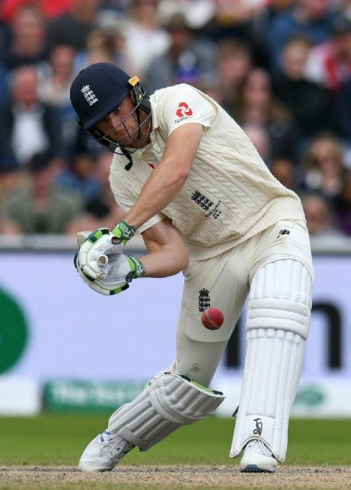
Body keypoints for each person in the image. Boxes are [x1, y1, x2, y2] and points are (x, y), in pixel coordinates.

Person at [69, 62, 313, 474]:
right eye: (104, 121)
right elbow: (173, 254)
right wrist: (130, 266)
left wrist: (120, 231)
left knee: (279, 305)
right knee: (191, 376)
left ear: (136, 94)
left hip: (272, 222)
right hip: (210, 255)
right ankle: (122, 433)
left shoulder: (178, 101)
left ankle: (260, 436)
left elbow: (176, 169)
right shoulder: (123, 178)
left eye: (118, 108)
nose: (117, 123)